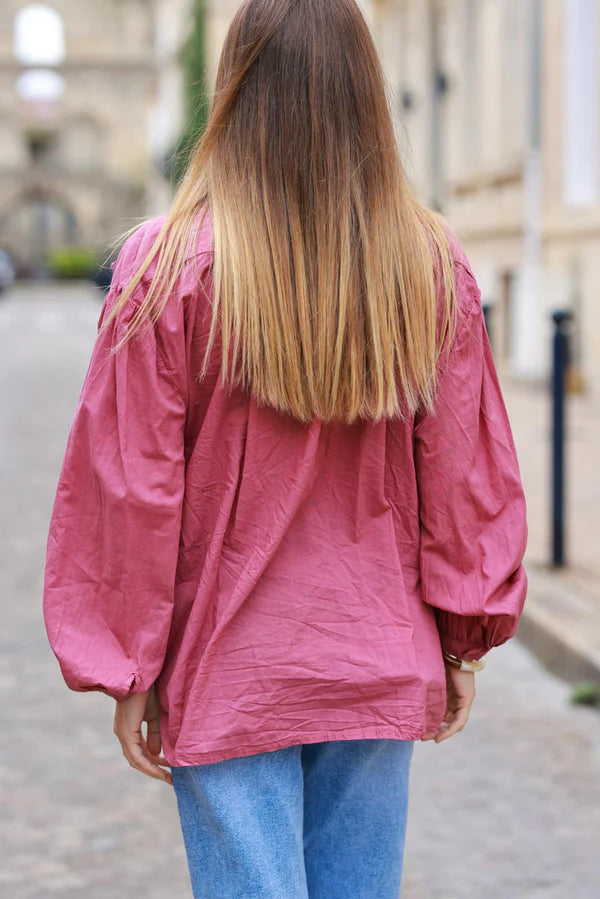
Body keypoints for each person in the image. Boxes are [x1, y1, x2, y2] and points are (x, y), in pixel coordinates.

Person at [42, 0, 528, 896]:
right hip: (377, 649)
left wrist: (128, 665)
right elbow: (466, 477)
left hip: (230, 663)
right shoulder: (425, 264)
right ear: (365, 97)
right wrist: (464, 638)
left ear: (234, 93)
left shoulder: (164, 268)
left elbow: (129, 486)